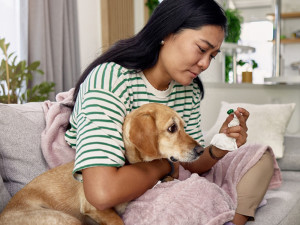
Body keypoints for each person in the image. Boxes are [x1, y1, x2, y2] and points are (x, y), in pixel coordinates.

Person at [65, 0, 274, 224]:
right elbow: (101, 193)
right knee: (198, 194)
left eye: (212, 55)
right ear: (167, 32)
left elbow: (189, 161)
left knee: (260, 154)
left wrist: (219, 147)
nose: (205, 64)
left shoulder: (189, 90)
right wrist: (165, 165)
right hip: (106, 188)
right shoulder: (110, 79)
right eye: (202, 49)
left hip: (156, 179)